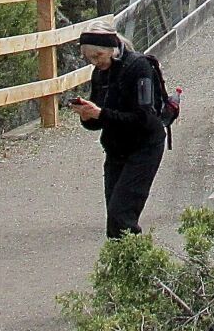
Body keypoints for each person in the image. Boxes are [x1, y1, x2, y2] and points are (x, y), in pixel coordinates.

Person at [69, 26, 165, 238]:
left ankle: (137, 264)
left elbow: (144, 118)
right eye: (90, 58)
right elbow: (100, 121)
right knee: (114, 219)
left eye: (98, 55)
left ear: (112, 48)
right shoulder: (100, 75)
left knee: (122, 216)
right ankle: (123, 265)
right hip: (116, 149)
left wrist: (100, 114)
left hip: (145, 147)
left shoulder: (139, 67)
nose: (96, 62)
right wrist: (87, 117)